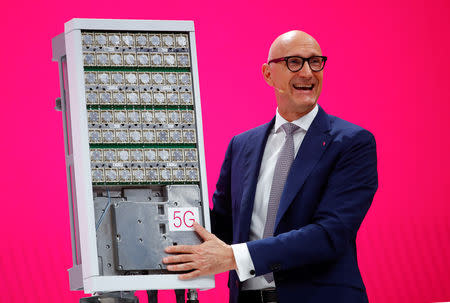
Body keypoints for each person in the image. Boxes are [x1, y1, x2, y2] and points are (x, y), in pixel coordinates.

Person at [163, 30, 378, 303]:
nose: (308, 73)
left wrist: (234, 257)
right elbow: (219, 227)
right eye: (294, 62)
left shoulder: (352, 142)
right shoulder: (242, 145)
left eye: (315, 62)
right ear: (268, 74)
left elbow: (330, 234)